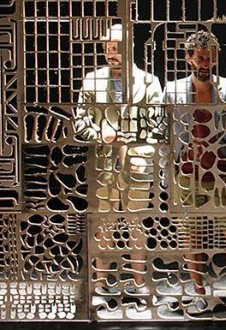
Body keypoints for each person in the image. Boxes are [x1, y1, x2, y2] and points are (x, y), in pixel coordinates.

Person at [162, 30, 226, 312]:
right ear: (189, 58)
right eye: (200, 58)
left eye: (210, 58)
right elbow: (164, 135)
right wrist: (167, 174)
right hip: (187, 173)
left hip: (221, 173)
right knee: (192, 236)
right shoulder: (173, 90)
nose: (206, 64)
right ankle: (199, 291)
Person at [73, 23, 163, 304]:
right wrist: (100, 134)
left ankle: (140, 285)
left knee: (137, 225)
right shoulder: (92, 80)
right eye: (107, 48)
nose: (111, 53)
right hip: (103, 164)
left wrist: (142, 153)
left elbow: (158, 126)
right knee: (104, 226)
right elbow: (80, 122)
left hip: (137, 164)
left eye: (116, 48)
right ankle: (100, 286)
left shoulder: (149, 82)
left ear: (130, 47)